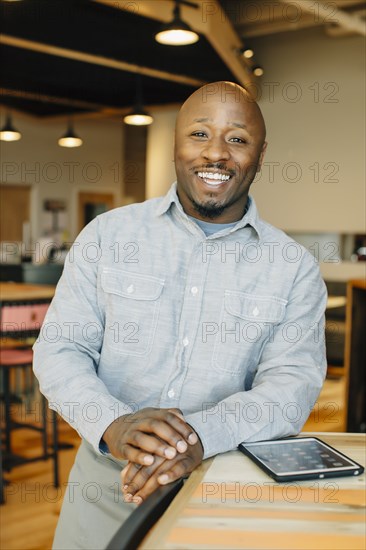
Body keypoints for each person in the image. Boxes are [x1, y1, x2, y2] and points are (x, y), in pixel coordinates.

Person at [33, 81, 327, 549]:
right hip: (107, 483)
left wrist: (198, 437)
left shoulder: (294, 268)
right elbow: (61, 349)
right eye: (199, 134)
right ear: (175, 143)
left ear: (261, 153)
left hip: (227, 485)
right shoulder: (108, 235)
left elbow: (291, 388)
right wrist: (114, 424)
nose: (216, 154)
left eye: (237, 138)